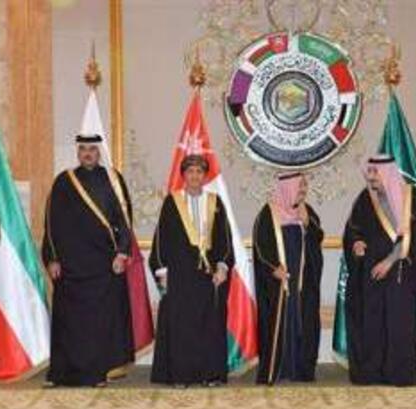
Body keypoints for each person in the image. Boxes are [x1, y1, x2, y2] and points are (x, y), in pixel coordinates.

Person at [42, 134, 135, 387]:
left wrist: (122, 253)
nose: (87, 154)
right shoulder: (64, 182)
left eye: (92, 149)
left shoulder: (113, 179)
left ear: (99, 151)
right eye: (83, 149)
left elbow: (124, 219)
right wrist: (52, 258)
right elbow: (50, 223)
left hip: (104, 265)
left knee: (99, 324)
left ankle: (97, 373)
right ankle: (63, 374)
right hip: (70, 267)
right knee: (70, 324)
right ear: (77, 152)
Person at [342, 155, 416, 386]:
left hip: (401, 276)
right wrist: (356, 244)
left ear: (387, 173)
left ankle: (399, 374)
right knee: (373, 323)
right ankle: (372, 373)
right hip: (372, 277)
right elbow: (353, 230)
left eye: (375, 172)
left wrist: (389, 261)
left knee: (400, 325)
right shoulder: (365, 199)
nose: (371, 177)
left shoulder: (409, 199)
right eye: (369, 172)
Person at [150, 154, 234, 387]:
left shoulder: (215, 202)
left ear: (204, 176)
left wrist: (222, 266)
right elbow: (161, 240)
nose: (195, 176)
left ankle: (211, 375)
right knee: (182, 326)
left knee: (210, 325)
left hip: (209, 277)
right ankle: (182, 376)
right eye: (190, 172)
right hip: (181, 276)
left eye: (199, 172)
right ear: (183, 175)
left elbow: (225, 239)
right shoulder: (172, 202)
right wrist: (162, 272)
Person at [253, 172, 323, 385]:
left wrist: (308, 223)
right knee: (278, 321)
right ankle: (277, 370)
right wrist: (273, 268)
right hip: (278, 282)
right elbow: (261, 246)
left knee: (303, 320)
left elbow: (318, 238)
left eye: (304, 186)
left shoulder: (307, 211)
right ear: (288, 186)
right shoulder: (268, 213)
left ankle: (301, 370)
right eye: (300, 186)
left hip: (302, 281)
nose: (303, 190)